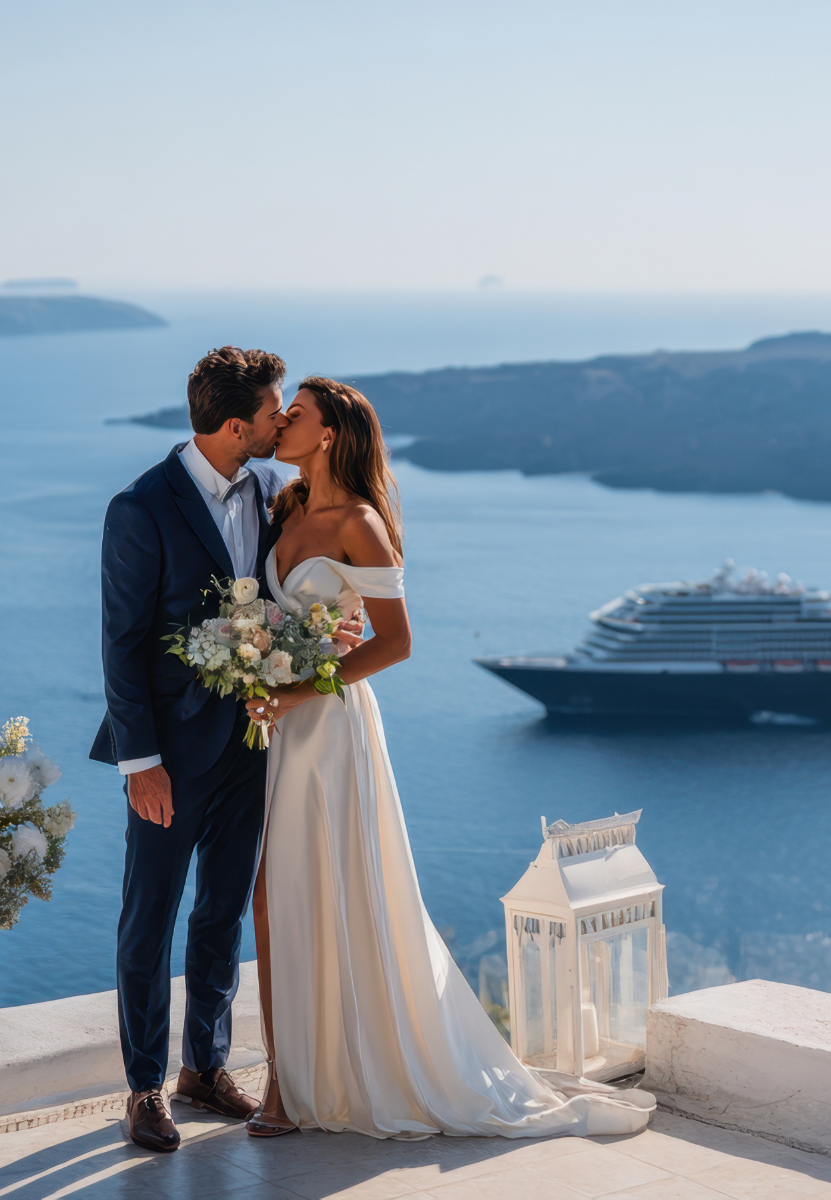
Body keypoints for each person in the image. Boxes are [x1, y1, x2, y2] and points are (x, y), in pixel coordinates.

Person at [243, 376, 654, 1140]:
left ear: (328, 433)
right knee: (273, 901)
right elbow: (275, 613)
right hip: (280, 727)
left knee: (327, 893)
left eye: (295, 414)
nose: (282, 421)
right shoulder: (286, 505)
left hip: (328, 729)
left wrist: (304, 686)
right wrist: (257, 657)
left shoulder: (359, 522)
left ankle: (302, 1084)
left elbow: (397, 643)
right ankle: (284, 1078)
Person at [90, 346, 293, 1152]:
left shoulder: (276, 488)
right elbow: (122, 643)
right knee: (150, 918)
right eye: (274, 412)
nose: (283, 421)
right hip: (168, 758)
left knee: (222, 910)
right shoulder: (140, 507)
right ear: (235, 425)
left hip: (252, 741)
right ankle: (144, 1088)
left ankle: (204, 1069)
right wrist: (141, 764)